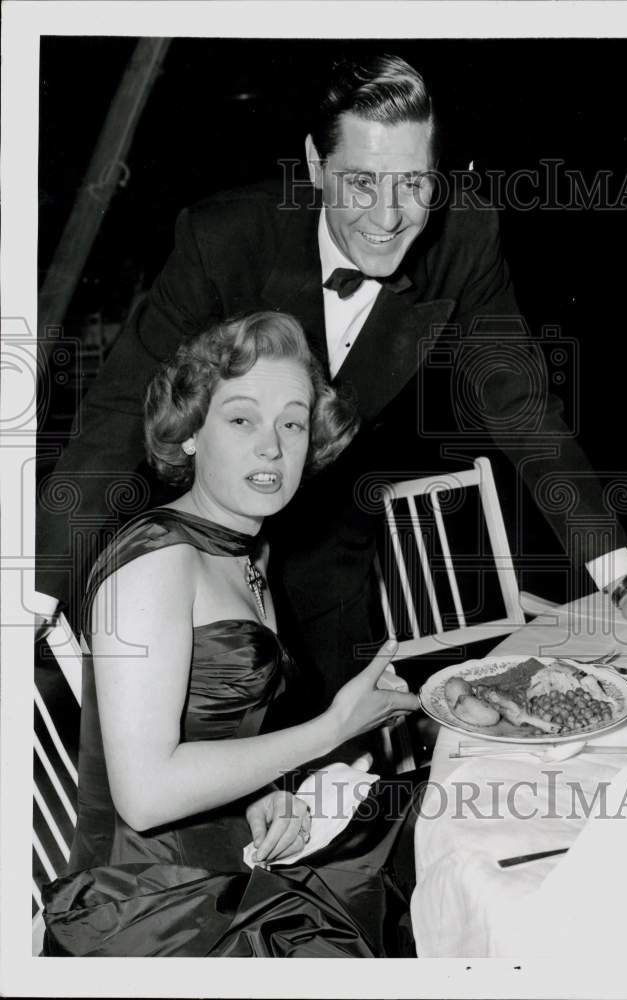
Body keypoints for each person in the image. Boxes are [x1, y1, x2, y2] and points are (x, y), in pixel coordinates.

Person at [34, 53, 627, 704]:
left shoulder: (465, 237)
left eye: (415, 183)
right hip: (198, 538)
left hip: (327, 538)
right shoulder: (226, 239)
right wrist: (34, 592)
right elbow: (117, 416)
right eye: (362, 181)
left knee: (344, 760)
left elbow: (522, 413)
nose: (389, 217)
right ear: (314, 163)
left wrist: (620, 577)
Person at [41, 312, 425, 958]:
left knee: (425, 824)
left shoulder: (249, 549)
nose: (273, 447)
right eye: (242, 419)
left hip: (225, 853)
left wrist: (263, 799)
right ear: (190, 432)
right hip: (146, 906)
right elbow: (144, 796)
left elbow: (215, 727)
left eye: (293, 422)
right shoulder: (157, 563)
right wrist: (332, 729)